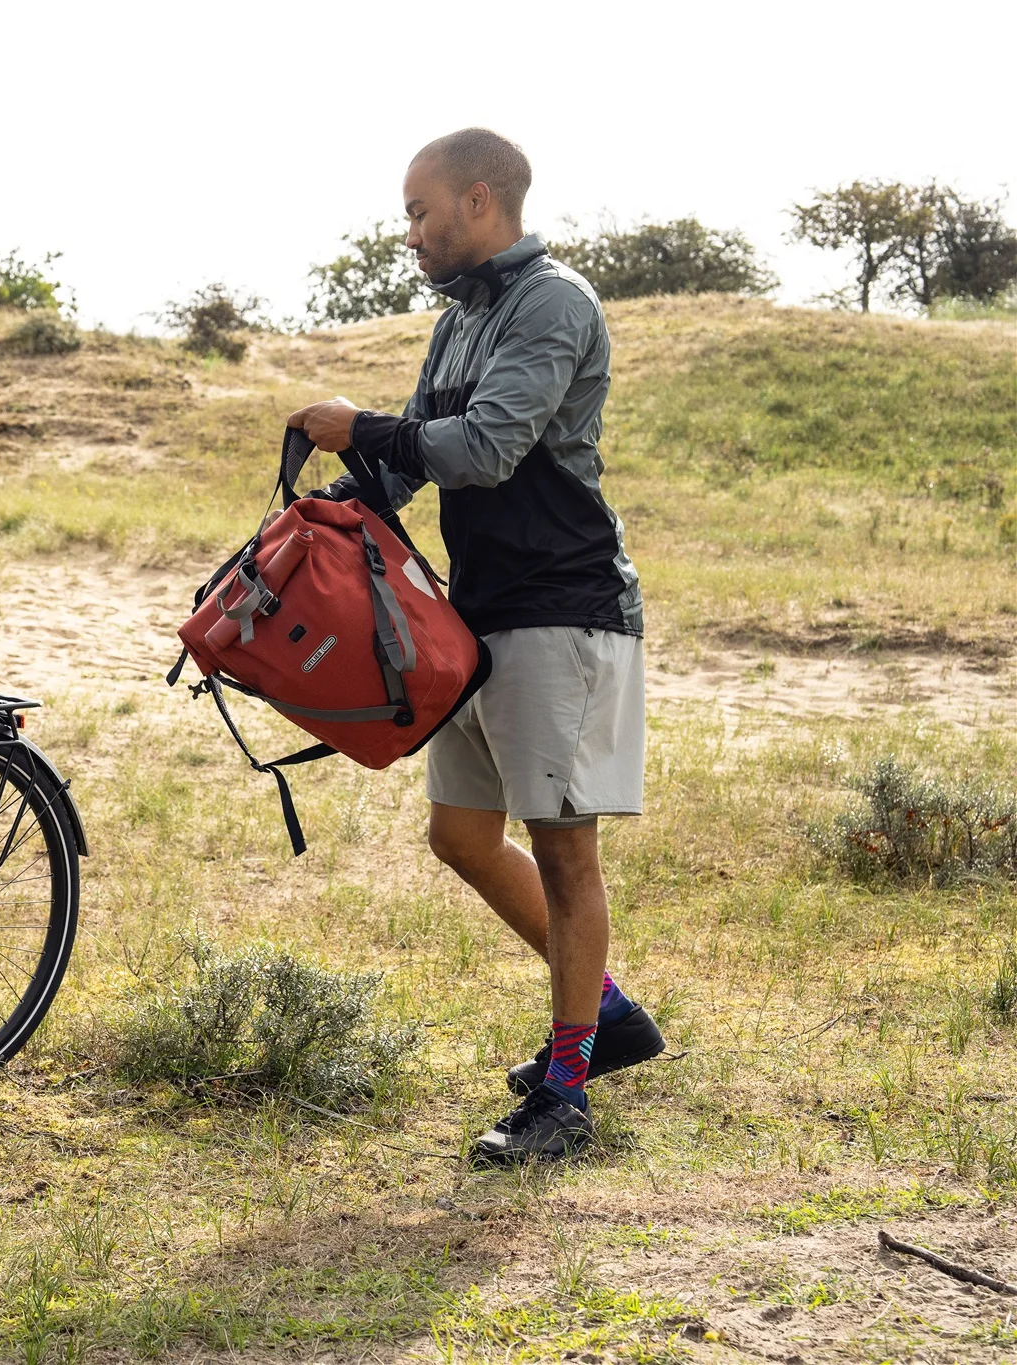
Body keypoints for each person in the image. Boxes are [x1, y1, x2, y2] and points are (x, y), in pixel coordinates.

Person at [286, 127, 661, 1165]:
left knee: (561, 846)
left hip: (561, 604)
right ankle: (610, 1017)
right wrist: (307, 528)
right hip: (477, 615)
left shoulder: (554, 303)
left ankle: (566, 1096)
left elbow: (487, 448)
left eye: (419, 211)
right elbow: (408, 462)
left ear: (480, 201)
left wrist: (358, 427)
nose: (408, 233)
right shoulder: (456, 323)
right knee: (458, 835)